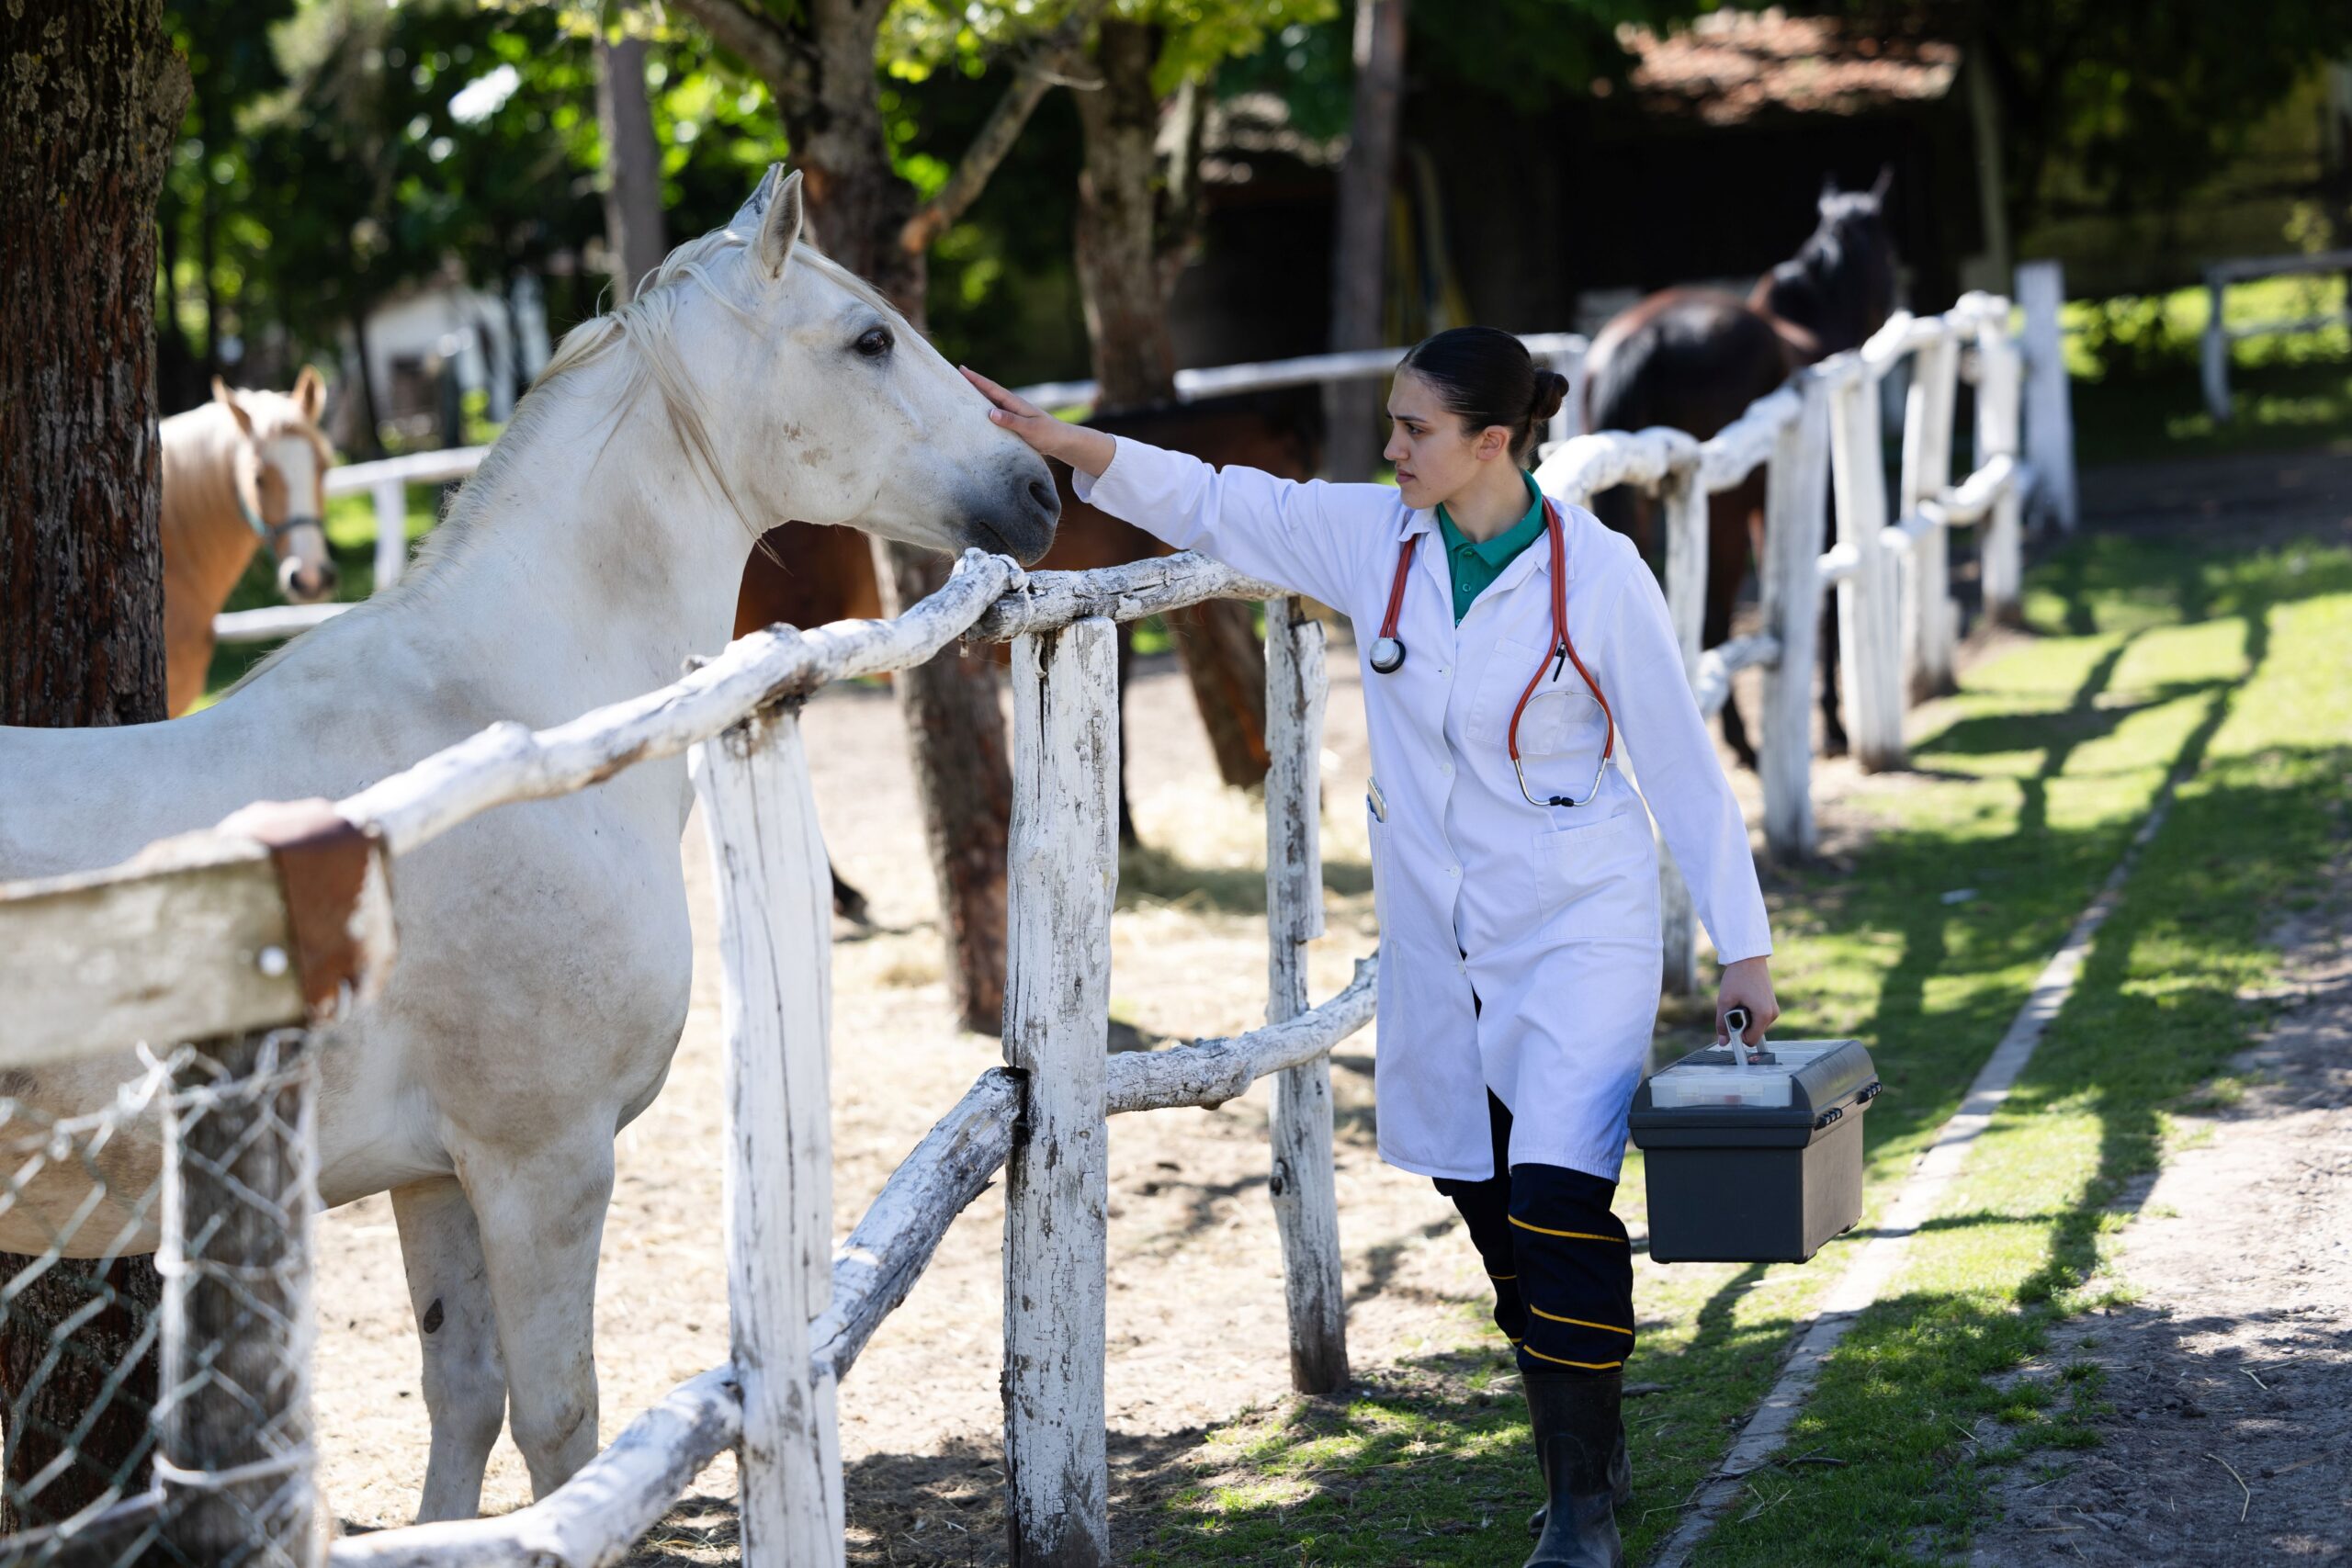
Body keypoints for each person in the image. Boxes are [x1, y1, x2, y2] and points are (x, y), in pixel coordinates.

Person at [963, 327, 1779, 1568]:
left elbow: (1676, 760)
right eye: (1392, 424)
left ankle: (1580, 1510)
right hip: (1440, 937)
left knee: (1560, 1200)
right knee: (1491, 1206)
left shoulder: (1596, 572)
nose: (1388, 447)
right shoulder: (1374, 540)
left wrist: (1741, 946)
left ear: (1492, 442)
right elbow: (1217, 501)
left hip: (1579, 924)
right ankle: (1588, 1432)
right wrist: (1063, 442)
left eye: (1414, 429)